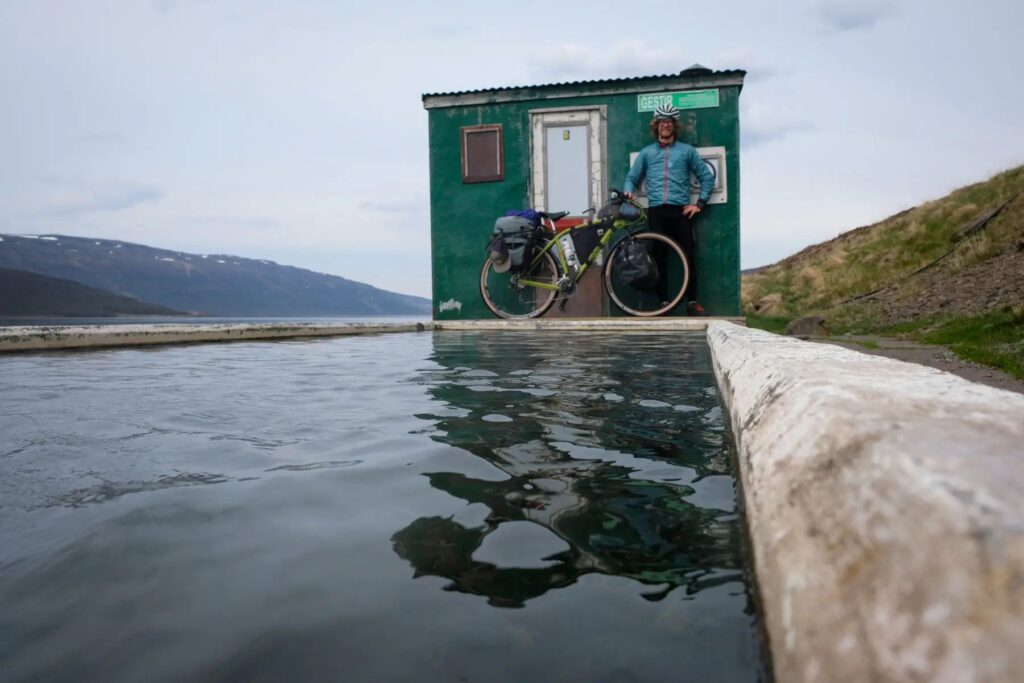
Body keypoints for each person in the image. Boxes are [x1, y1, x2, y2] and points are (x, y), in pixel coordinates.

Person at [623, 103, 714, 315]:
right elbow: (632, 177)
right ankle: (663, 302)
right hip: (656, 211)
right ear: (656, 126)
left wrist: (699, 204)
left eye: (669, 122)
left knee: (688, 255)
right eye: (662, 122)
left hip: (680, 211)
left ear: (674, 125)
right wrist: (629, 191)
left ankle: (692, 302)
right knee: (658, 257)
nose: (665, 125)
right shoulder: (647, 153)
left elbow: (706, 177)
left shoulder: (686, 151)